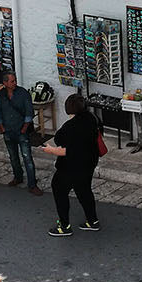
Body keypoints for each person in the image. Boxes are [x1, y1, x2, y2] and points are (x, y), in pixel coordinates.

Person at [41, 93, 99, 237]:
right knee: (84, 190)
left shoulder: (70, 127)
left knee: (59, 191)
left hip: (71, 167)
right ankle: (93, 221)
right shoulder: (92, 119)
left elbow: (64, 148)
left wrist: (50, 150)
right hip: (89, 163)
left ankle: (64, 225)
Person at [0, 71, 40, 194]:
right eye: (12, 81)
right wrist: (1, 127)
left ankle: (32, 184)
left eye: (15, 80)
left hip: (21, 130)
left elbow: (29, 112)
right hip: (8, 131)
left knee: (27, 158)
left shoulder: (23, 93)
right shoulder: (1, 95)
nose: (15, 83)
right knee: (13, 157)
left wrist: (24, 128)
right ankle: (17, 177)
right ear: (5, 83)